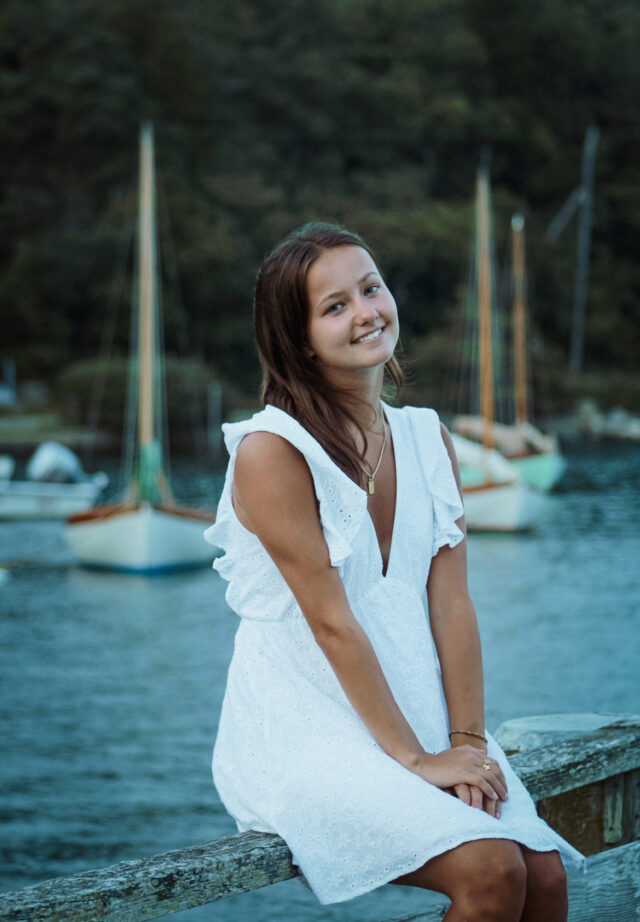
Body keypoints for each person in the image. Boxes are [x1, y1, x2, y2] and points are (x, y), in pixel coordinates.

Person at [204, 222, 584, 921]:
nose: (366, 312)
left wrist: (465, 742)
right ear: (298, 337)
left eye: (370, 288)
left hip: (421, 716)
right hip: (305, 731)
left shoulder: (426, 437)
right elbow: (331, 622)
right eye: (335, 306)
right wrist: (416, 762)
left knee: (545, 877)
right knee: (492, 874)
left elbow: (453, 605)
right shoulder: (272, 452)